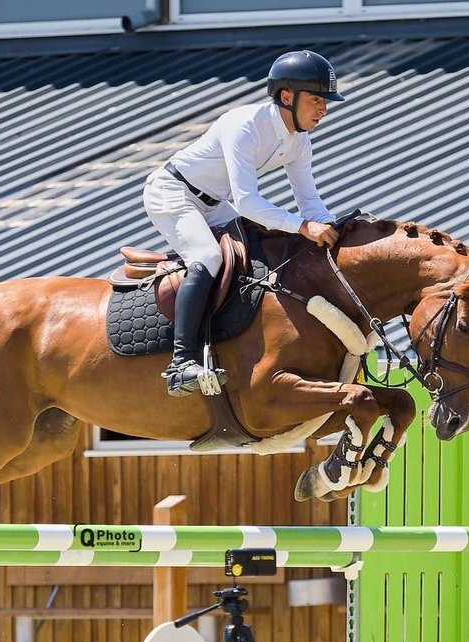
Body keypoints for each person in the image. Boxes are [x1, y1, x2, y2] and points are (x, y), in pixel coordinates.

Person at [143, 49, 345, 397]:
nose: (324, 109)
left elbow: (309, 201)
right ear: (286, 96)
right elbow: (247, 201)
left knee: (256, 253)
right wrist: (301, 227)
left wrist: (334, 229)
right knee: (208, 258)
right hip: (172, 192)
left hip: (213, 202)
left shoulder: (299, 142)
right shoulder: (244, 126)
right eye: (316, 100)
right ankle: (180, 364)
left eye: (325, 101)